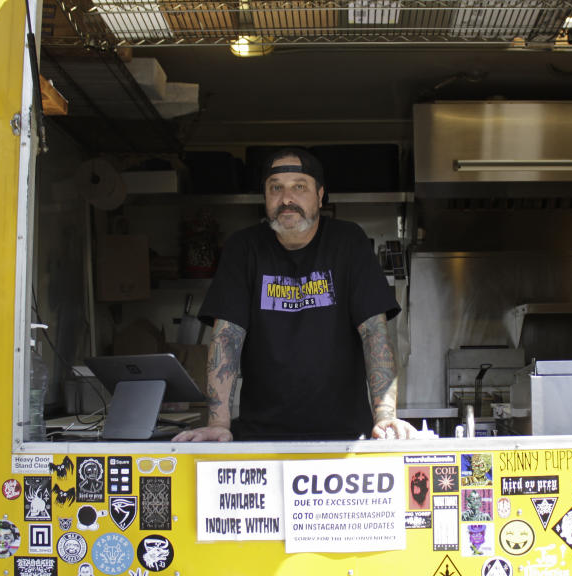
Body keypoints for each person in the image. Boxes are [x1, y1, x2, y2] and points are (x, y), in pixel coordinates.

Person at [174, 148, 416, 441]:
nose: (286, 198)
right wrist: (218, 423)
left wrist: (386, 416)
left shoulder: (348, 242)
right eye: (276, 188)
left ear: (320, 195)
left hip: (345, 436)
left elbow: (374, 332)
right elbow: (227, 338)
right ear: (265, 196)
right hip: (260, 437)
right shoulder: (244, 248)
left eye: (299, 187)